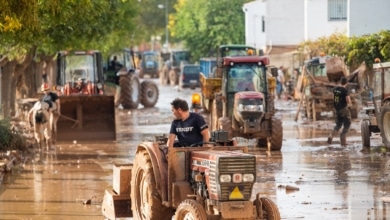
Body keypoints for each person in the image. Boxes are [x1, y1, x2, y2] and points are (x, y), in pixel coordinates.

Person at [327, 77, 351, 146]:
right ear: (346, 83)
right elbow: (348, 100)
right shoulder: (345, 91)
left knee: (338, 125)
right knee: (347, 123)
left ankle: (331, 135)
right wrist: (350, 105)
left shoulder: (335, 89)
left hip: (337, 109)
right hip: (343, 109)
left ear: (340, 82)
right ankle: (343, 140)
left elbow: (334, 98)